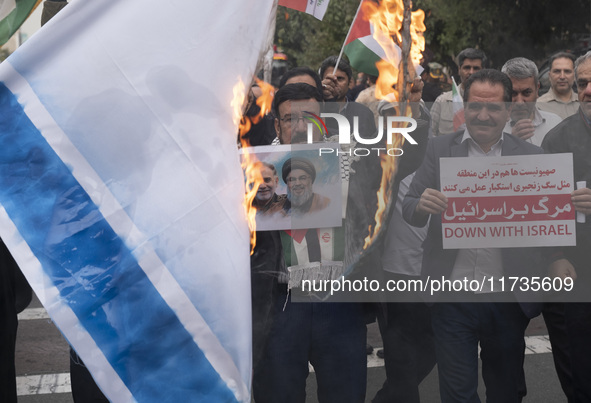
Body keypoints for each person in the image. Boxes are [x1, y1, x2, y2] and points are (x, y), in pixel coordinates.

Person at [403, 69, 544, 402]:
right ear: (463, 107)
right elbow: (410, 205)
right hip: (452, 296)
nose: (483, 115)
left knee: (507, 390)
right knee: (457, 393)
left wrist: (572, 204)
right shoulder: (438, 149)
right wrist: (422, 204)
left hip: (507, 297)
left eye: (494, 107)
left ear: (509, 110)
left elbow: (548, 221)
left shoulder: (531, 158)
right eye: (475, 106)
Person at [253, 82, 367, 403]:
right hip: (281, 303)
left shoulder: (350, 157)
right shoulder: (257, 165)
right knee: (279, 394)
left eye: (310, 118)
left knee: (345, 393)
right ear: (277, 124)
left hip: (338, 300)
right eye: (291, 119)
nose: (301, 127)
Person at [541, 50, 591, 403]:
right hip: (581, 271)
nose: (588, 90)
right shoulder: (557, 139)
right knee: (582, 367)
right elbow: (545, 208)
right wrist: (556, 255)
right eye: (584, 82)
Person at [501, 57, 562, 146]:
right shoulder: (493, 130)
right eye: (513, 93)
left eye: (526, 93)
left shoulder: (555, 124)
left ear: (537, 90)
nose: (520, 102)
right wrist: (510, 142)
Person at [430, 48, 486, 137]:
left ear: (483, 71)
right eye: (467, 68)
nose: (471, 72)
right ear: (459, 70)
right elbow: (430, 134)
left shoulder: (492, 103)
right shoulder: (442, 101)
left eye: (476, 68)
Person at [319, 56, 377, 139]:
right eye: (329, 79)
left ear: (349, 82)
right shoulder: (313, 113)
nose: (334, 83)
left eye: (340, 79)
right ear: (322, 82)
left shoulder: (364, 114)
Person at [537, 52, 579, 120]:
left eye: (567, 71)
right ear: (549, 76)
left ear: (575, 76)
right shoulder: (538, 106)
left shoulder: (584, 104)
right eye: (557, 71)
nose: (562, 76)